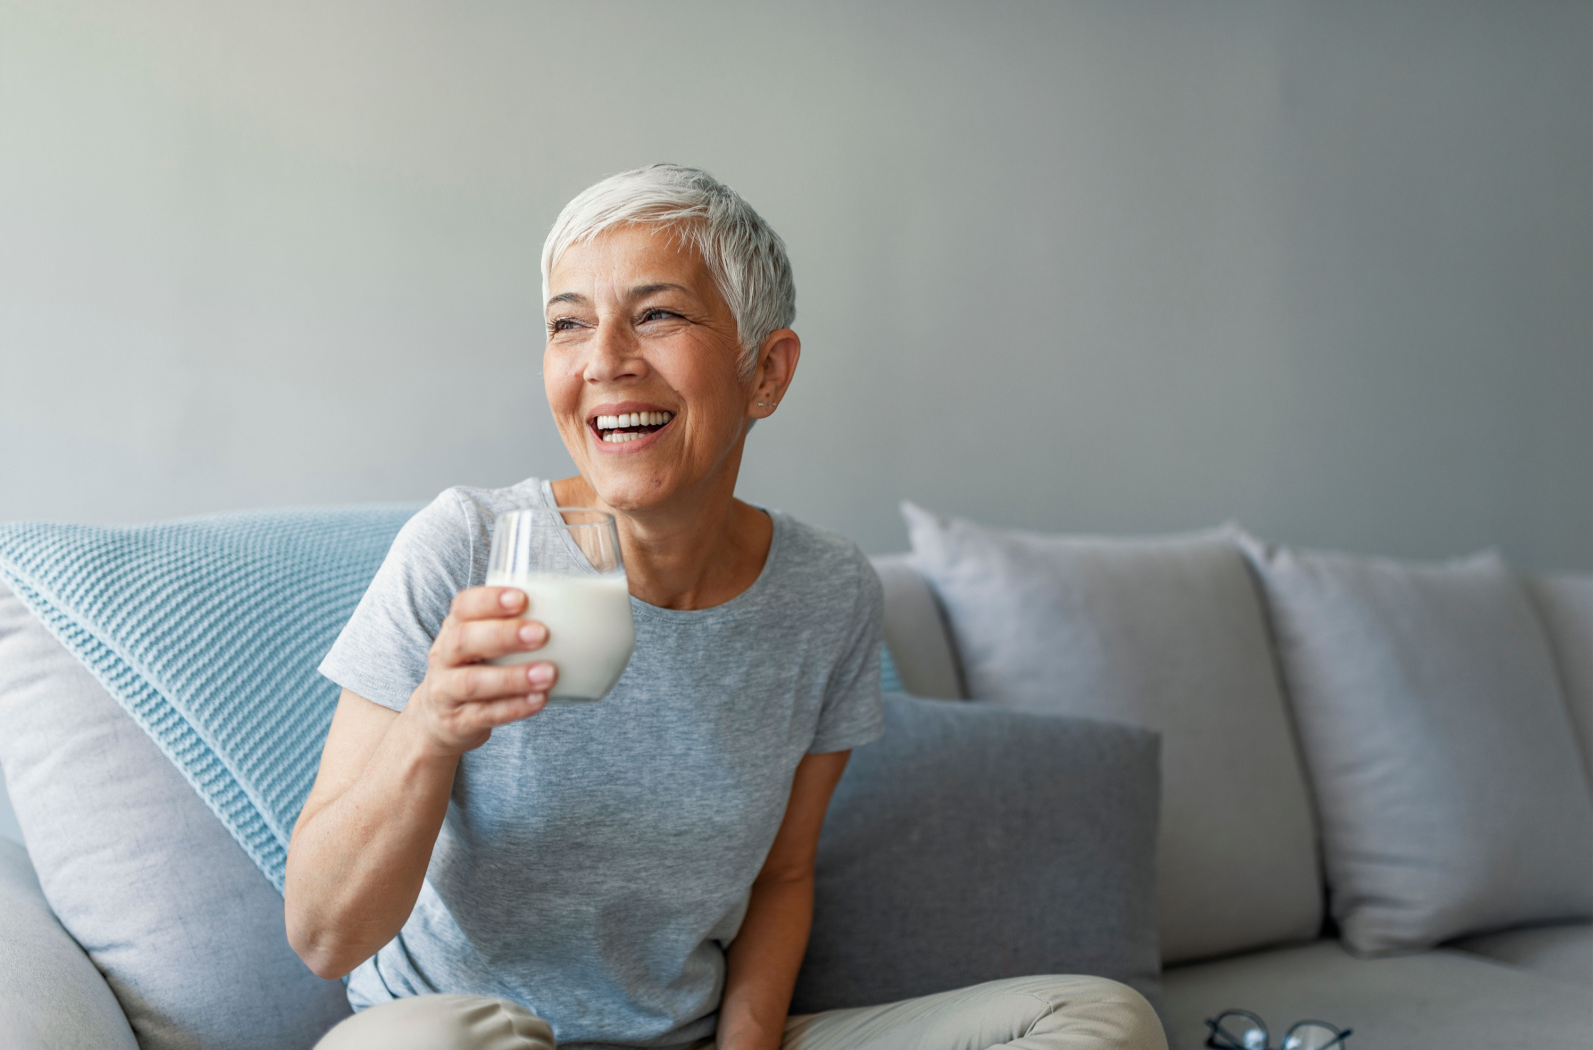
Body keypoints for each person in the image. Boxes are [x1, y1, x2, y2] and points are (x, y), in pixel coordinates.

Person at [284, 164, 1167, 1050]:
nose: (604, 361)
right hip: (466, 1038)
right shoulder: (467, 546)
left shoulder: (828, 593)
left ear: (766, 371)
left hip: (690, 1039)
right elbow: (324, 939)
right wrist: (430, 730)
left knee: (1097, 1017)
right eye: (569, 324)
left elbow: (782, 878)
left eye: (658, 314)